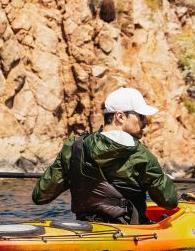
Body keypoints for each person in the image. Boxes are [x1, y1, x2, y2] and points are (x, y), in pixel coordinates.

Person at [31, 87, 178, 224]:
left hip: (86, 228)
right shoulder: (143, 157)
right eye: (141, 116)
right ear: (120, 116)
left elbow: (41, 196)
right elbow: (169, 201)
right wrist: (162, 178)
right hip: (129, 239)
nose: (145, 121)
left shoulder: (74, 147)